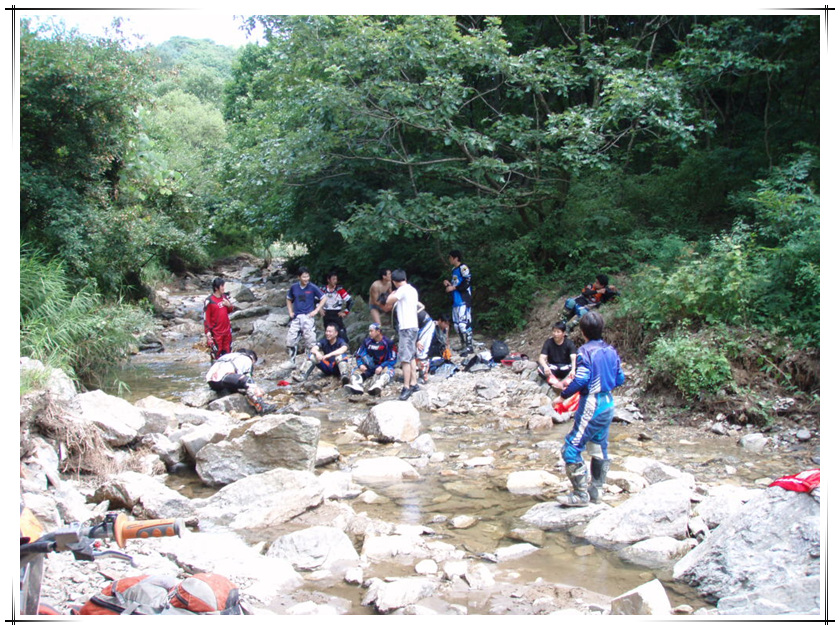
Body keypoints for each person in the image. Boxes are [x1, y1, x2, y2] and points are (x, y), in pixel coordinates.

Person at [555, 311, 625, 507]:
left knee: (570, 448)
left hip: (592, 405)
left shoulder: (585, 352)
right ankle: (597, 491)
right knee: (598, 446)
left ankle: (580, 495)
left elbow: (582, 379)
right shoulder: (611, 351)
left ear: (583, 331)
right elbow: (620, 378)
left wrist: (562, 396)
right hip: (608, 403)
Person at [382, 269, 420, 400]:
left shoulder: (402, 290)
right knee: (411, 356)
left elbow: (388, 300)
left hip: (406, 328)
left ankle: (407, 387)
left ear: (394, 281)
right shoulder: (412, 289)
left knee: (404, 358)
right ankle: (414, 383)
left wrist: (392, 292)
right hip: (414, 326)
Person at [205, 349, 277, 415]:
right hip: (224, 377)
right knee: (248, 381)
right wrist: (257, 390)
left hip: (211, 381)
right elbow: (248, 377)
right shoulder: (247, 358)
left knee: (239, 383)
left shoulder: (227, 356)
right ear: (252, 358)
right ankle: (262, 407)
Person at [344, 323, 397, 396]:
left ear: (378, 331)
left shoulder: (388, 342)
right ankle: (357, 386)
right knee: (355, 371)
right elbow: (359, 354)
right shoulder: (367, 342)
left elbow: (393, 358)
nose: (369, 333)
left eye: (371, 331)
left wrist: (382, 366)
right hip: (369, 367)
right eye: (369, 331)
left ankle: (378, 385)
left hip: (382, 366)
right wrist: (360, 365)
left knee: (389, 371)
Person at [286, 267, 326, 362]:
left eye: (307, 276)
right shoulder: (294, 287)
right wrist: (290, 311)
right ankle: (292, 361)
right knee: (290, 340)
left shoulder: (312, 287)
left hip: (308, 316)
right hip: (296, 317)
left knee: (310, 341)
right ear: (299, 277)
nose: (306, 279)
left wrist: (316, 310)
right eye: (304, 277)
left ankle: (309, 362)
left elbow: (323, 298)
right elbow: (288, 299)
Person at [443, 250, 473, 355]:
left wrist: (454, 287)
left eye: (450, 257)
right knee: (456, 324)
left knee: (463, 324)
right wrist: (448, 284)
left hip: (463, 300)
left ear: (455, 258)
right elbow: (456, 283)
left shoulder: (463, 268)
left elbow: (467, 282)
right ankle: (463, 344)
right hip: (455, 300)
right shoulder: (453, 270)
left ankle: (469, 346)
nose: (449, 259)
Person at [537, 321, 577, 390]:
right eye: (554, 331)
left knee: (578, 369)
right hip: (553, 367)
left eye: (558, 332)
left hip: (566, 367)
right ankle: (558, 384)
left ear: (563, 333)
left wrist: (573, 369)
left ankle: (565, 383)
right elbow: (541, 358)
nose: (555, 334)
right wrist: (546, 367)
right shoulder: (548, 342)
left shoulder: (569, 343)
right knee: (540, 369)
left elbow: (573, 358)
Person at [203, 278, 235, 361]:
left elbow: (230, 310)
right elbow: (206, 318)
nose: (224, 288)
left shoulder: (224, 297)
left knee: (228, 355)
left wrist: (229, 305)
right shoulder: (209, 301)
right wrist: (208, 332)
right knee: (216, 356)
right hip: (216, 333)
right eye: (222, 286)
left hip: (227, 331)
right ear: (216, 288)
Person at [321, 271, 354, 341]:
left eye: (336, 279)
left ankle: (345, 347)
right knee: (329, 333)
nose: (335, 281)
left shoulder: (340, 290)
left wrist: (345, 312)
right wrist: (320, 309)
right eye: (333, 279)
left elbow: (350, 301)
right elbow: (315, 300)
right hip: (326, 314)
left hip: (337, 314)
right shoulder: (322, 290)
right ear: (328, 280)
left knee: (341, 332)